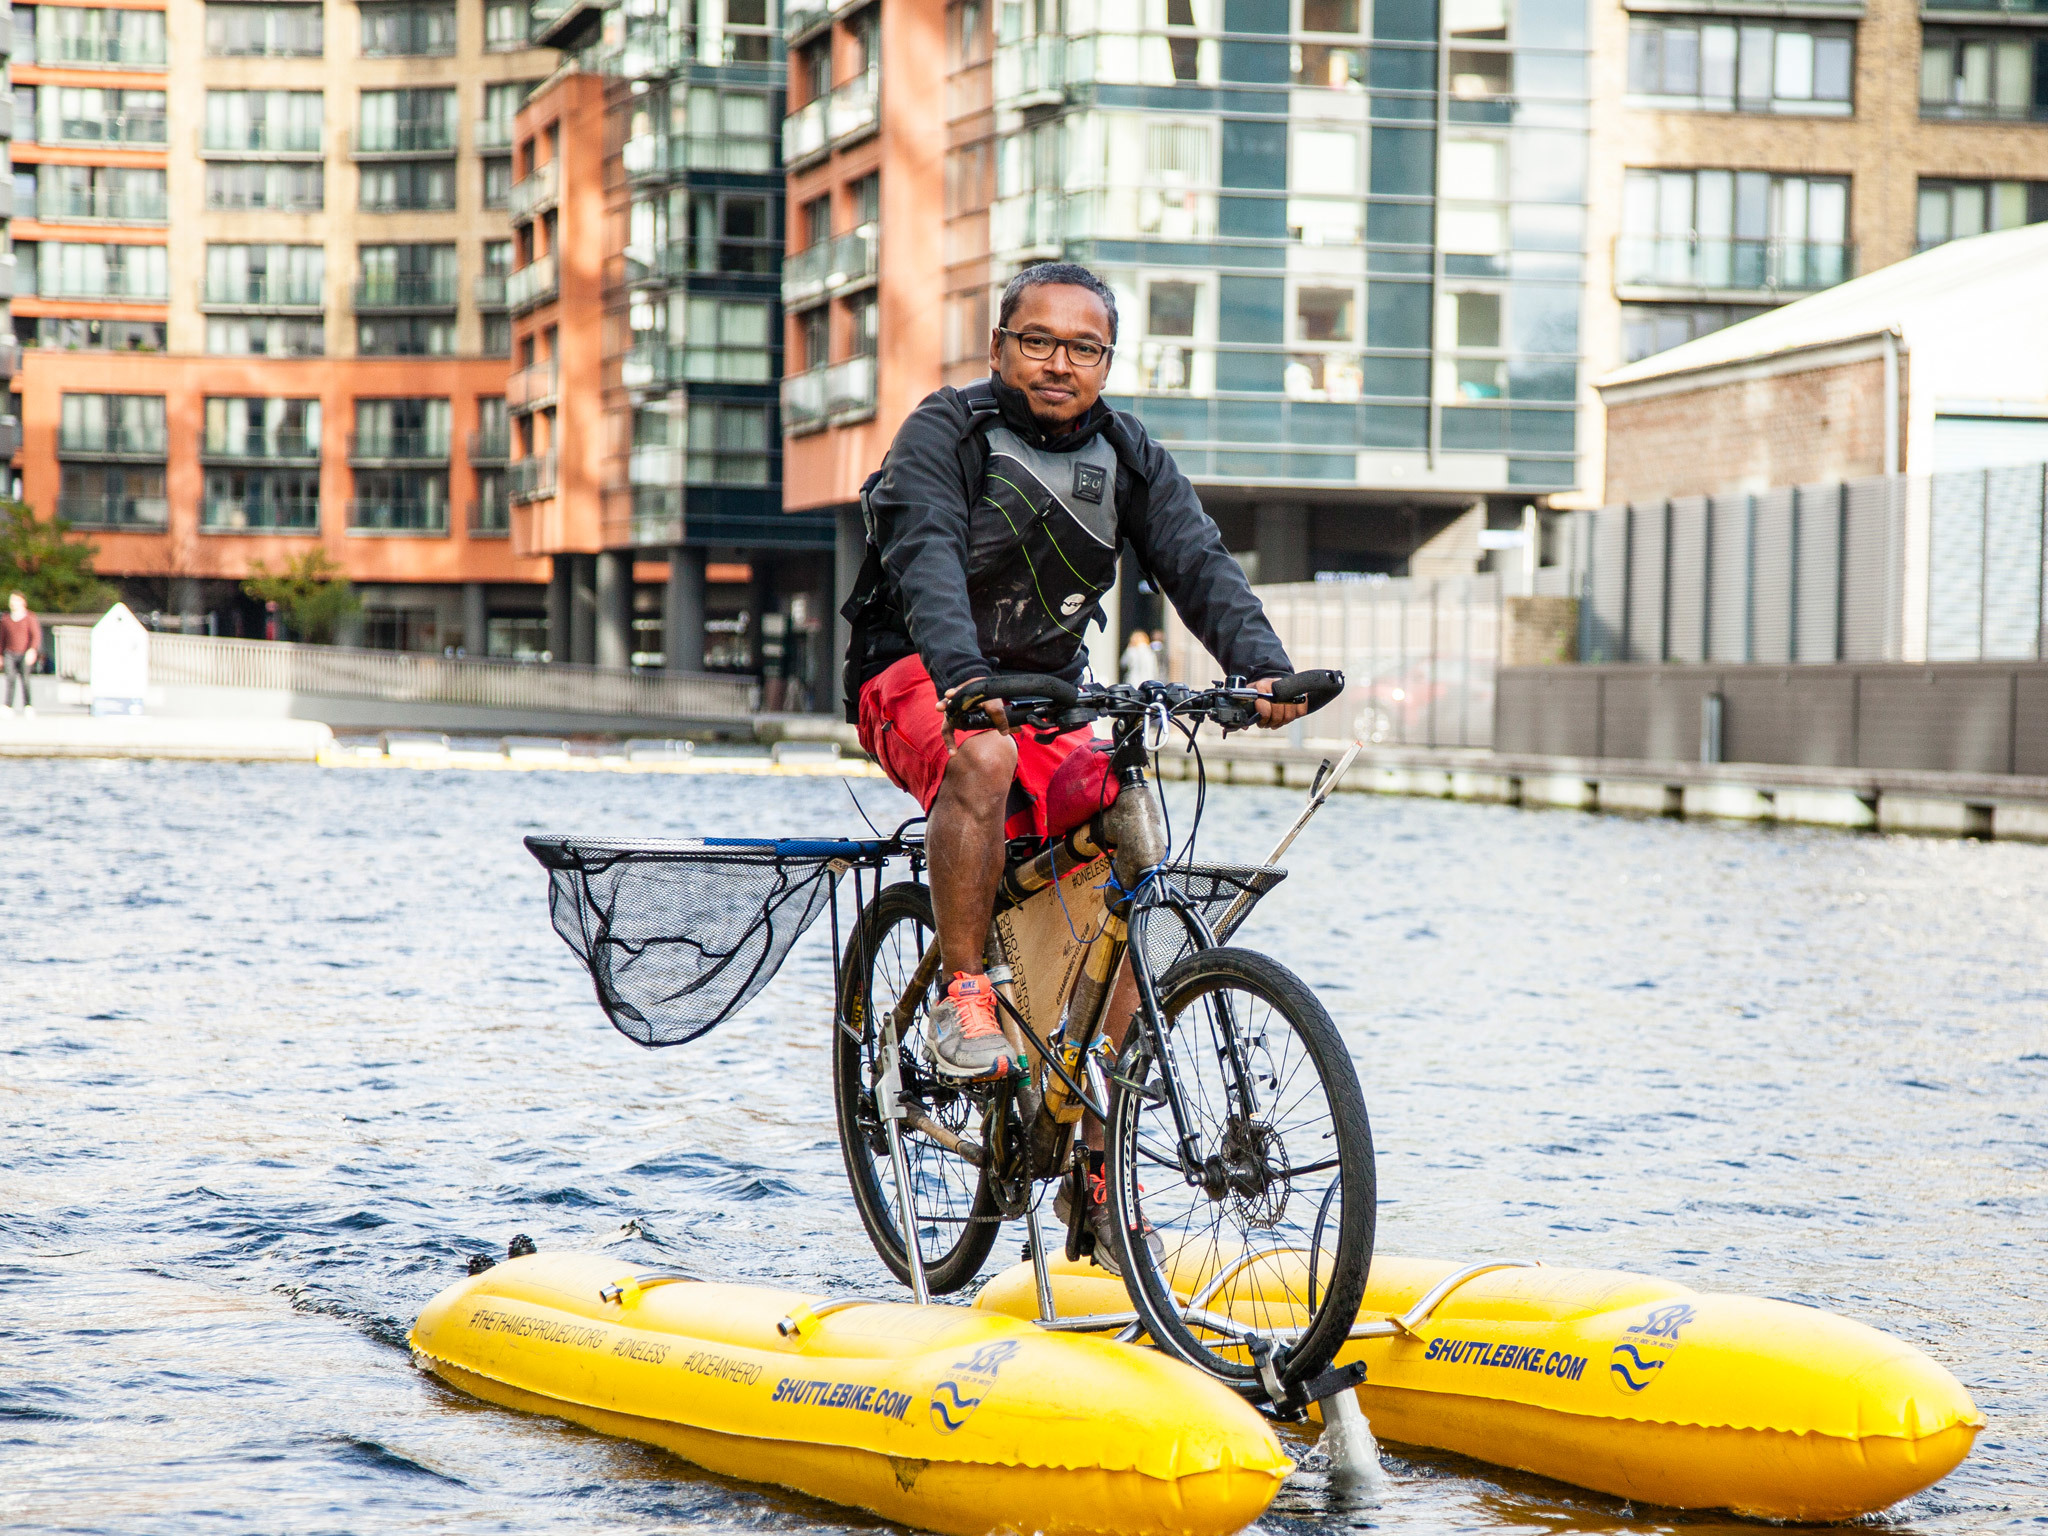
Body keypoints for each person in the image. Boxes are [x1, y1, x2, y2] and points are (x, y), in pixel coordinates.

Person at [844, 264, 1305, 1265]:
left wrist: (1259, 671)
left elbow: (1197, 561)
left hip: (1051, 691)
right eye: (1038, 341)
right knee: (985, 756)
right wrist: (965, 678)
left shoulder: (1128, 453)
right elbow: (922, 557)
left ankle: (1097, 1149)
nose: (1060, 363)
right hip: (916, 677)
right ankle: (966, 997)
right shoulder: (946, 433)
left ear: (1107, 360)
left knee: (1123, 816)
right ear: (999, 344)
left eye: (1082, 347)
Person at [2, 591, 40, 715]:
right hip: (9, 652)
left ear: (23, 602)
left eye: (16, 600)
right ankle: (8, 705)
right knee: (10, 679)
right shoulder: (6, 619)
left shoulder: (30, 618)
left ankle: (28, 705)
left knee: (25, 679)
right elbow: (1, 638)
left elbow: (35, 636)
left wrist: (32, 650)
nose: (13, 603)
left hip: (24, 652)